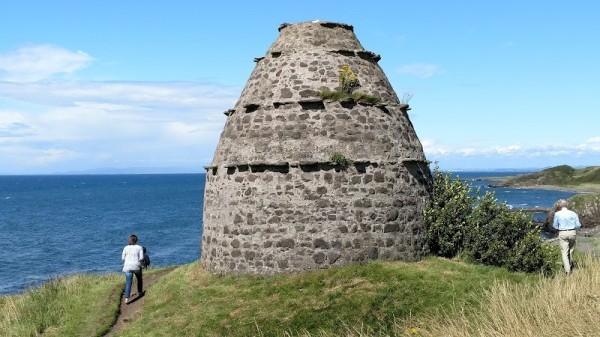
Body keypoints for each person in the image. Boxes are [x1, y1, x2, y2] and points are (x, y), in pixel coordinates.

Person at [552, 199, 582, 274]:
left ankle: (567, 271)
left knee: (564, 252)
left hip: (562, 233)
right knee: (571, 250)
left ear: (560, 206)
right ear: (567, 205)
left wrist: (560, 227)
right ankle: (570, 265)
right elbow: (578, 225)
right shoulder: (573, 213)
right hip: (572, 232)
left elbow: (555, 226)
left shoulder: (557, 214)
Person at [121, 234, 145, 304]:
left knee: (128, 283)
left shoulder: (125, 248)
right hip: (136, 266)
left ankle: (126, 298)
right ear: (136, 240)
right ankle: (140, 292)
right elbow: (141, 258)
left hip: (127, 266)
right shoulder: (140, 247)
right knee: (139, 279)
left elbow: (122, 258)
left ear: (129, 240)